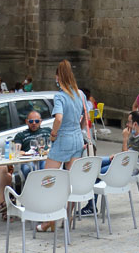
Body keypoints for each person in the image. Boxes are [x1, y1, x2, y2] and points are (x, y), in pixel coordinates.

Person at [39, 60, 91, 232]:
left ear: (58, 77)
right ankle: (67, 217)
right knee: (71, 180)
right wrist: (80, 129)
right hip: (77, 138)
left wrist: (53, 134)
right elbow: (86, 116)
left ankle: (49, 219)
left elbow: (58, 118)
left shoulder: (60, 96)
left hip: (63, 139)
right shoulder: (80, 94)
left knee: (48, 179)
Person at [80, 111, 139, 215]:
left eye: (129, 122)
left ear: (135, 124)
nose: (127, 124)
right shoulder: (138, 135)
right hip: (124, 164)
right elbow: (125, 154)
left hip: (126, 169)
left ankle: (91, 206)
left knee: (96, 172)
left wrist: (125, 138)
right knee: (98, 161)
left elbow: (126, 158)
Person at [12, 110, 51, 179]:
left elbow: (58, 144)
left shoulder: (48, 131)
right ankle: (32, 188)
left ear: (41, 121)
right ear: (27, 122)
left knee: (46, 167)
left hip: (45, 158)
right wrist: (23, 153)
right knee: (29, 169)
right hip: (29, 160)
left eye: (36, 121)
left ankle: (45, 189)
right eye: (31, 121)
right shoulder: (21, 135)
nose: (33, 123)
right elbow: (16, 151)